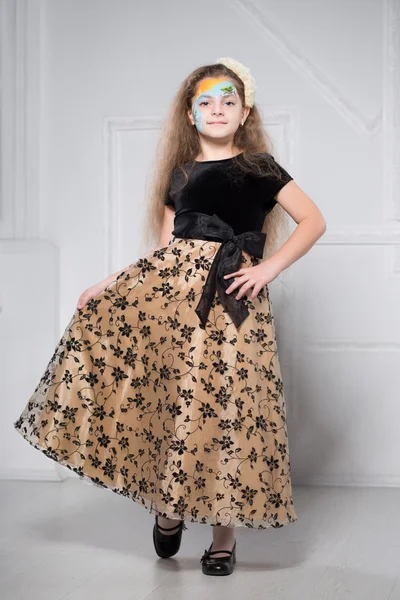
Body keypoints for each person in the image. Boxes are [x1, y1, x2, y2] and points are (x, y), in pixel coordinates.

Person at [14, 57, 326, 576]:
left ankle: (223, 537)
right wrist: (109, 284)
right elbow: (164, 250)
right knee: (172, 400)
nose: (218, 108)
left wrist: (267, 269)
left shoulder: (263, 168)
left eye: (229, 100)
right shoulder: (180, 176)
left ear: (244, 111)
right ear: (190, 114)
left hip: (233, 302)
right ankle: (169, 506)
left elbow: (314, 221)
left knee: (225, 407)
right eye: (206, 101)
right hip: (174, 305)